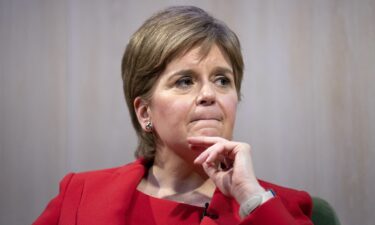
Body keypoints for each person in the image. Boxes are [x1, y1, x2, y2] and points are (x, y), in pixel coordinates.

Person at [33, 5, 313, 225]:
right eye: (185, 81)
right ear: (145, 112)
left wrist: (250, 197)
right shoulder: (81, 195)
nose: (209, 94)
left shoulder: (276, 206)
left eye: (222, 80)